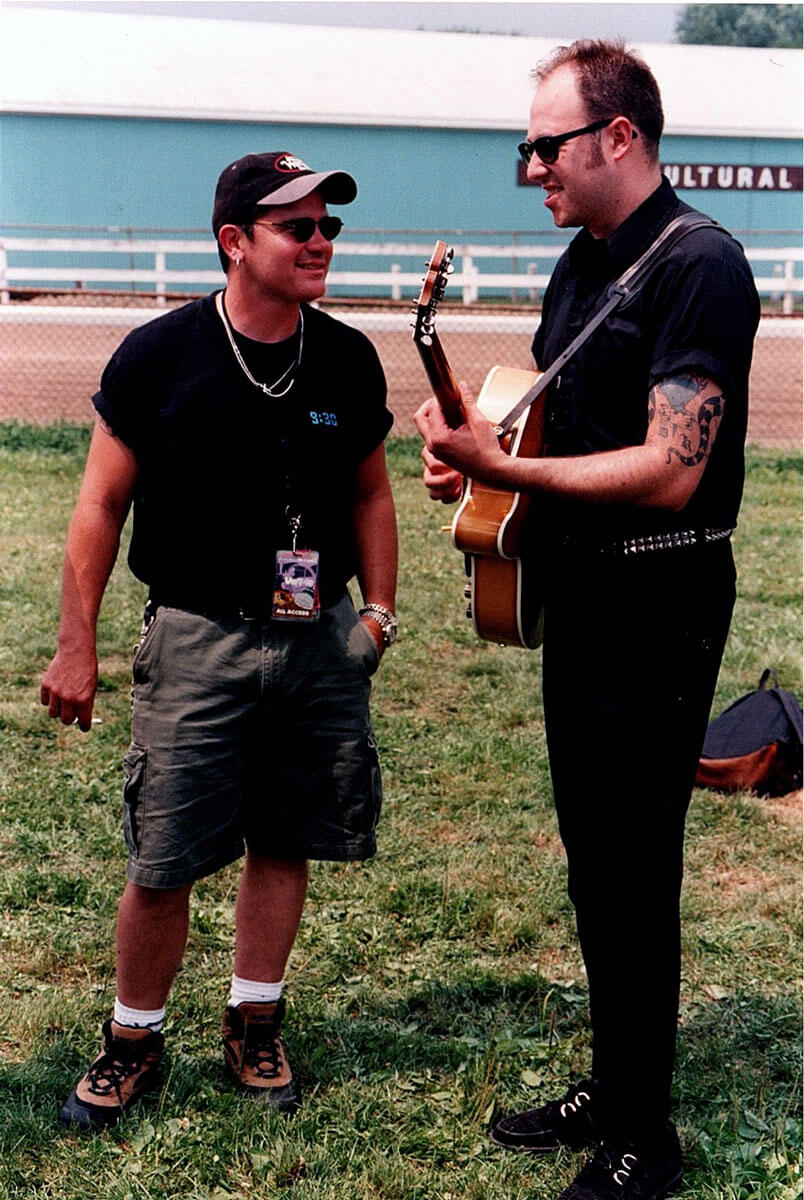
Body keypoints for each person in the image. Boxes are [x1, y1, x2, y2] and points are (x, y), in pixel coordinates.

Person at [414, 39, 758, 1200]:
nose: (532, 168)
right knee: (594, 858)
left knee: (633, 867)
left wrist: (508, 471)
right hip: (585, 597)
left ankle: (643, 1143)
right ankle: (616, 1090)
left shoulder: (699, 264)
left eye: (545, 146)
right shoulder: (582, 265)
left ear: (619, 136)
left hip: (661, 597)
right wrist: (482, 459)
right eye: (526, 148)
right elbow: (558, 424)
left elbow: (671, 468)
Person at [41, 150, 398, 1130]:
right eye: (299, 227)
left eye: (329, 226)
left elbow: (372, 492)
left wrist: (377, 614)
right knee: (164, 856)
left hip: (317, 639)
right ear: (236, 241)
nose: (321, 242)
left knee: (285, 839)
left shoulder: (347, 357)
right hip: (196, 638)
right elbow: (98, 505)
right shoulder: (159, 357)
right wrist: (76, 645)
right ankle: (132, 1041)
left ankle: (254, 1023)